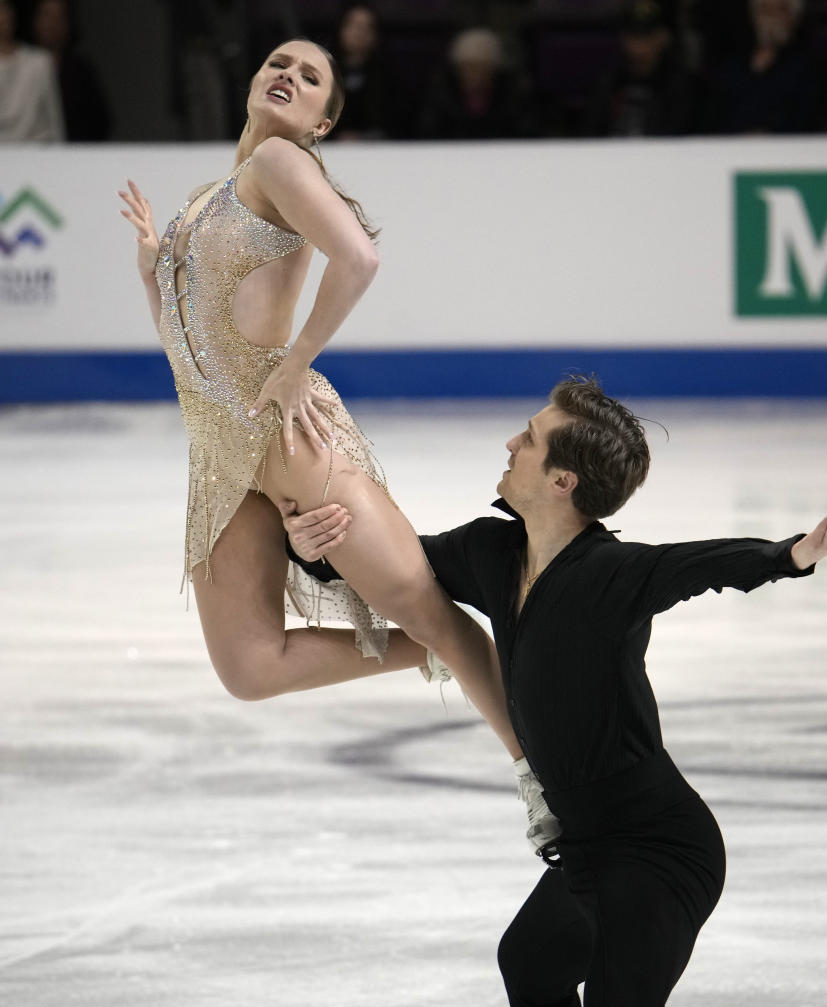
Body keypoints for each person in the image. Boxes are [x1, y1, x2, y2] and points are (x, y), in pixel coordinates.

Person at [284, 376, 827, 1006]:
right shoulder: (490, 550)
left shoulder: (611, 575)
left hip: (658, 853)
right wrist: (312, 551)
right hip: (587, 847)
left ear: (562, 481)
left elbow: (701, 563)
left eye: (532, 437)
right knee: (530, 961)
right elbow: (393, 567)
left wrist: (791, 553)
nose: (512, 441)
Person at [118, 38, 556, 847]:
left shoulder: (282, 162)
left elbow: (358, 257)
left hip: (290, 436)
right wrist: (155, 274)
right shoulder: (210, 193)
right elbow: (192, 350)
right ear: (252, 82)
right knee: (250, 666)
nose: (287, 74)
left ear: (320, 123)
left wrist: (295, 363)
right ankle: (423, 652)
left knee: (433, 612)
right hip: (219, 454)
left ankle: (543, 779)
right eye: (277, 64)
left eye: (310, 76)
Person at [701, 0, 821, 135]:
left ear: (794, 18)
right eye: (765, 11)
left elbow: (807, 122)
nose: (771, 19)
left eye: (779, 11)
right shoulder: (732, 67)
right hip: (731, 149)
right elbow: (713, 120)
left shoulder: (809, 69)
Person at [585, 0, 700, 138]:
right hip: (612, 155)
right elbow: (591, 133)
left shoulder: (683, 86)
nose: (641, 45)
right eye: (635, 35)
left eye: (648, 35)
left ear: (664, 37)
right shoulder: (609, 82)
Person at [419, 26, 536, 140]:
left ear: (494, 69)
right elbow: (429, 134)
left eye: (481, 67)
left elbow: (526, 134)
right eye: (467, 68)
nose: (475, 76)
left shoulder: (513, 95)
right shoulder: (442, 94)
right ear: (457, 70)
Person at [32, 0, 111, 141]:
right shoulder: (23, 67)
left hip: (74, 154)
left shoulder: (81, 71)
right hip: (26, 154)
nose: (52, 24)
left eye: (59, 17)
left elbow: (101, 122)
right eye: (47, 15)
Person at [0, 0, 64, 142]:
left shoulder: (39, 62)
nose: (2, 16)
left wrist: (60, 153)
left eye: (5, 9)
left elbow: (53, 116)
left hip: (36, 151)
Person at [331, 3, 390, 141]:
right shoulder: (324, 74)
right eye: (353, 25)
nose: (359, 33)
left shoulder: (388, 79)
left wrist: (365, 138)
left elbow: (395, 125)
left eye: (367, 27)